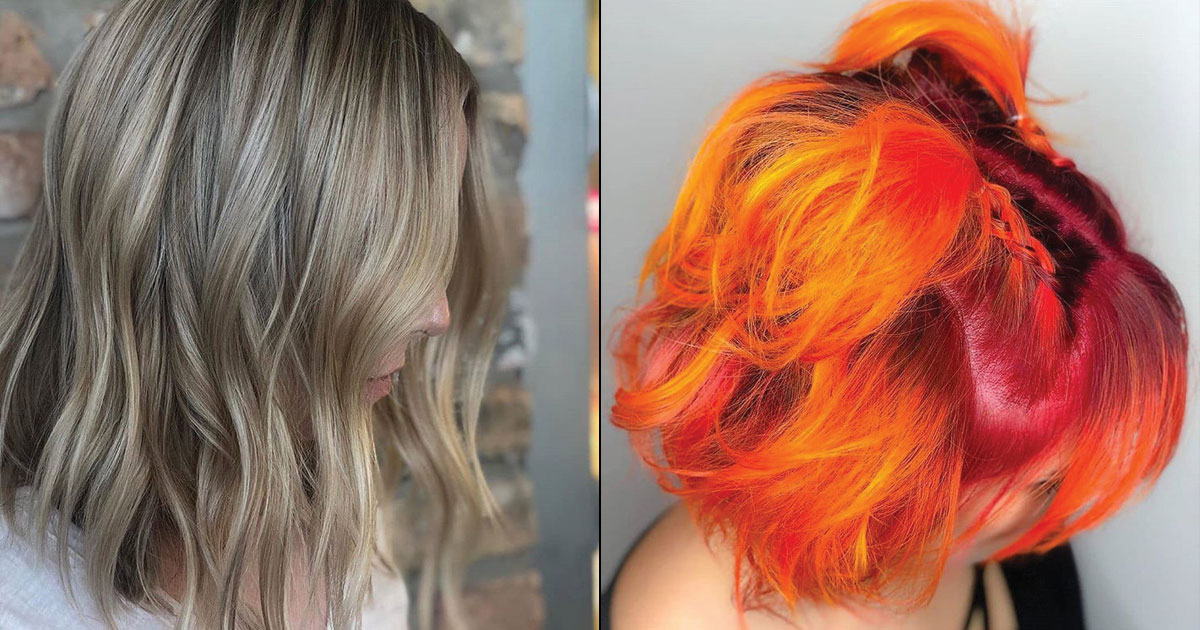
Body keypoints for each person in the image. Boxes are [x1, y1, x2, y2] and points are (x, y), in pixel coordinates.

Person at [603, 1, 1188, 628]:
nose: (1048, 512)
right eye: (1037, 482)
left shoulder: (1021, 560)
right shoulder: (678, 614)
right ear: (868, 471)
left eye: (1049, 479)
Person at [0, 1, 510, 629]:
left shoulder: (340, 525)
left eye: (431, 242)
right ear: (210, 241)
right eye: (381, 244)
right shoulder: (25, 600)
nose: (438, 312)